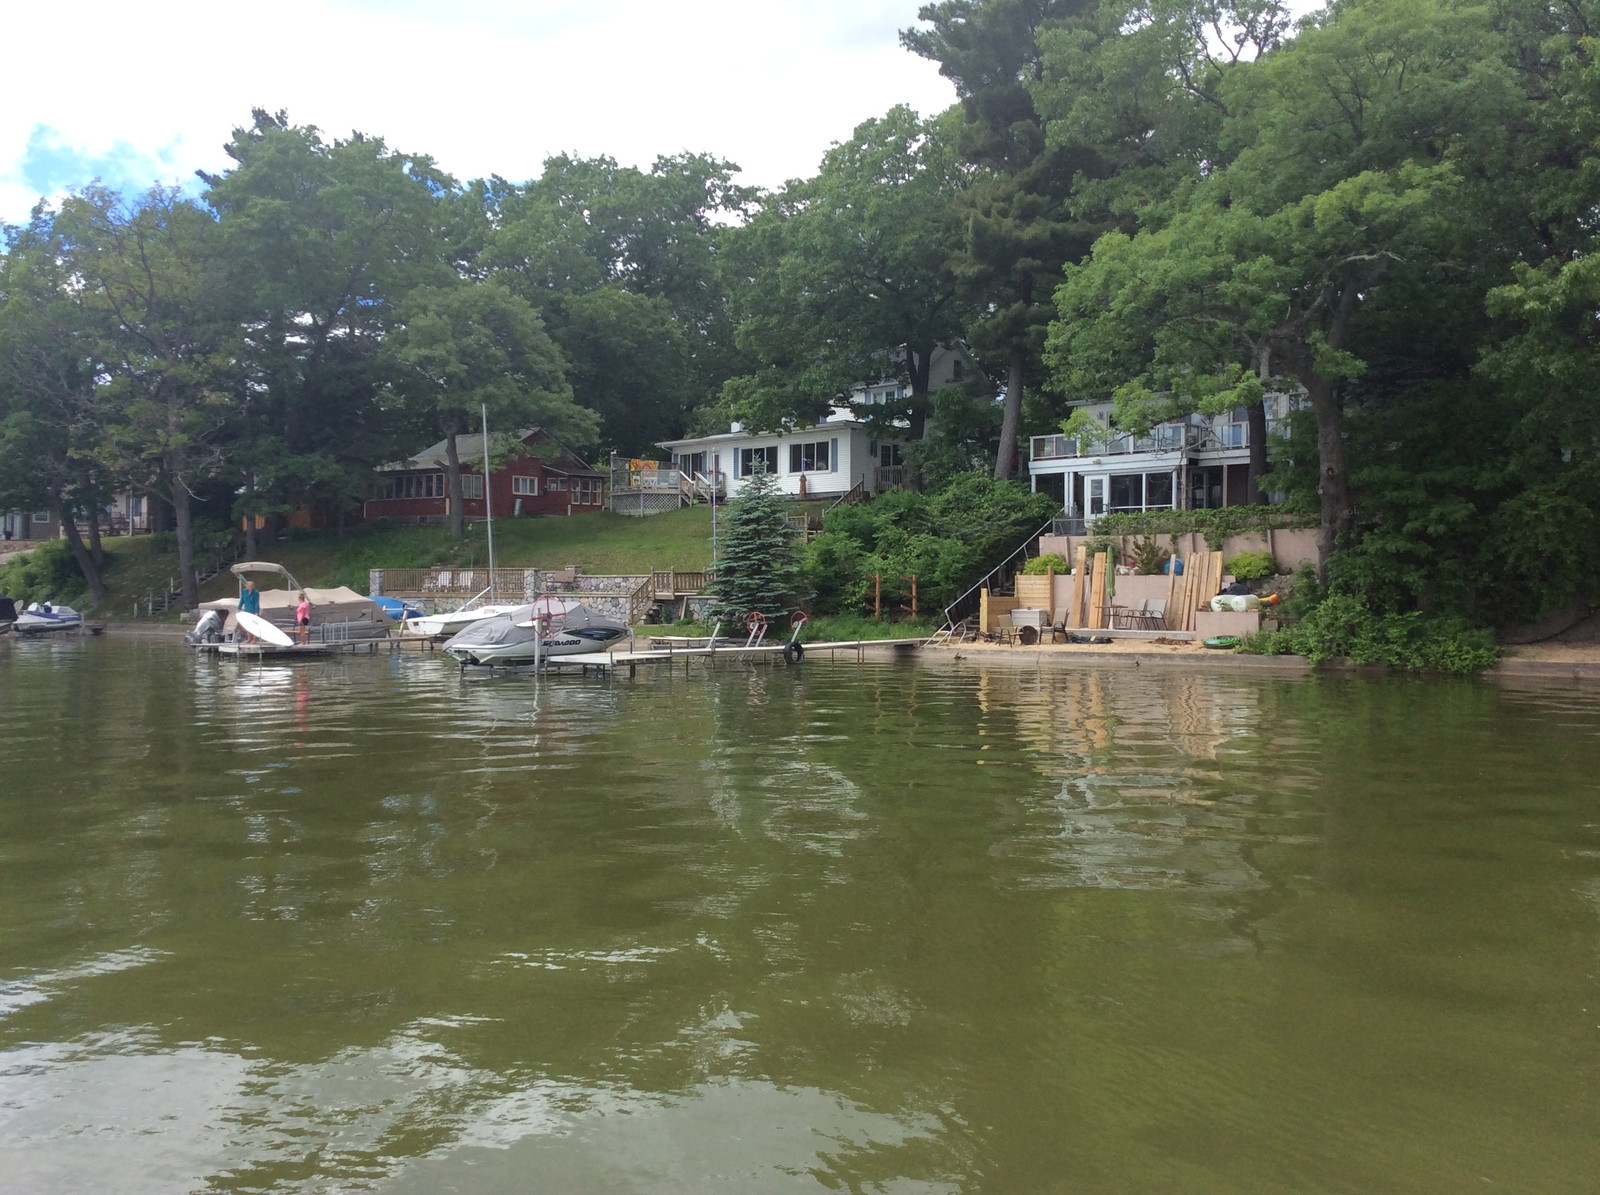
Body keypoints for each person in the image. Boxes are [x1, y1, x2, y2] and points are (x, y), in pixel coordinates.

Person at [239, 578, 261, 643]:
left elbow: (257, 602)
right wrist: (239, 607)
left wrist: (256, 612)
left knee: (254, 625)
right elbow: (242, 600)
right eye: (248, 586)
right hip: (247, 610)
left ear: (253, 586)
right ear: (246, 586)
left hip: (254, 610)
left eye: (251, 586)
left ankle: (255, 639)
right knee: (248, 625)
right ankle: (249, 638)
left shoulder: (255, 592)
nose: (250, 587)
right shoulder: (244, 591)